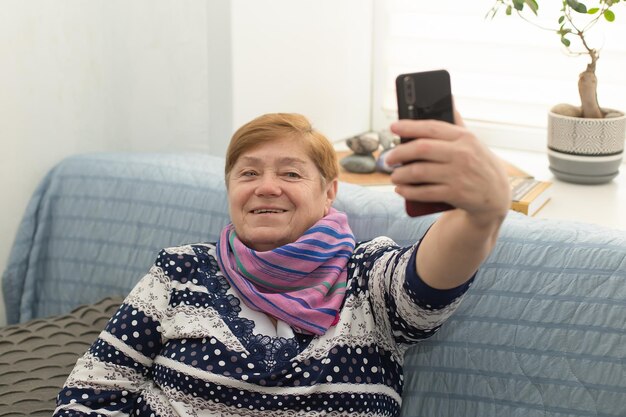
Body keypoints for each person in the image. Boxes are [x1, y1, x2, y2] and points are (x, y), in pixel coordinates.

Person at [54, 112, 510, 416]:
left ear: (329, 192)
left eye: (290, 173)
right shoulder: (180, 270)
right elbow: (98, 384)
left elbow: (427, 286)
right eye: (248, 173)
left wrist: (480, 213)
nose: (266, 187)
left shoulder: (368, 276)